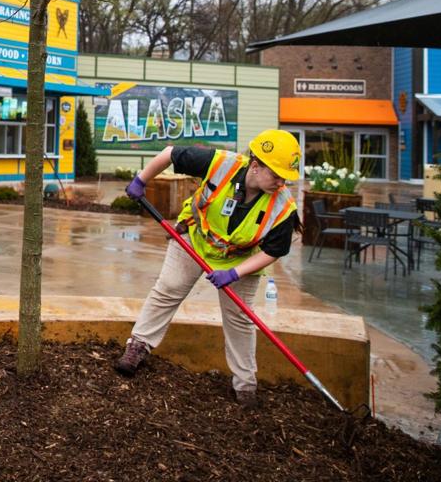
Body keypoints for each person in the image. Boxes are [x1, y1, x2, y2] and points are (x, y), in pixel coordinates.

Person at [115, 129, 301, 409]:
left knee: (239, 318)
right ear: (255, 165)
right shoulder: (220, 163)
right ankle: (138, 346)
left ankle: (245, 386)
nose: (281, 181)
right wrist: (141, 180)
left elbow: (273, 251)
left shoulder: (283, 207)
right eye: (276, 174)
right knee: (168, 290)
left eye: (285, 176)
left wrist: (234, 274)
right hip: (196, 237)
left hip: (240, 258)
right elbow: (169, 153)